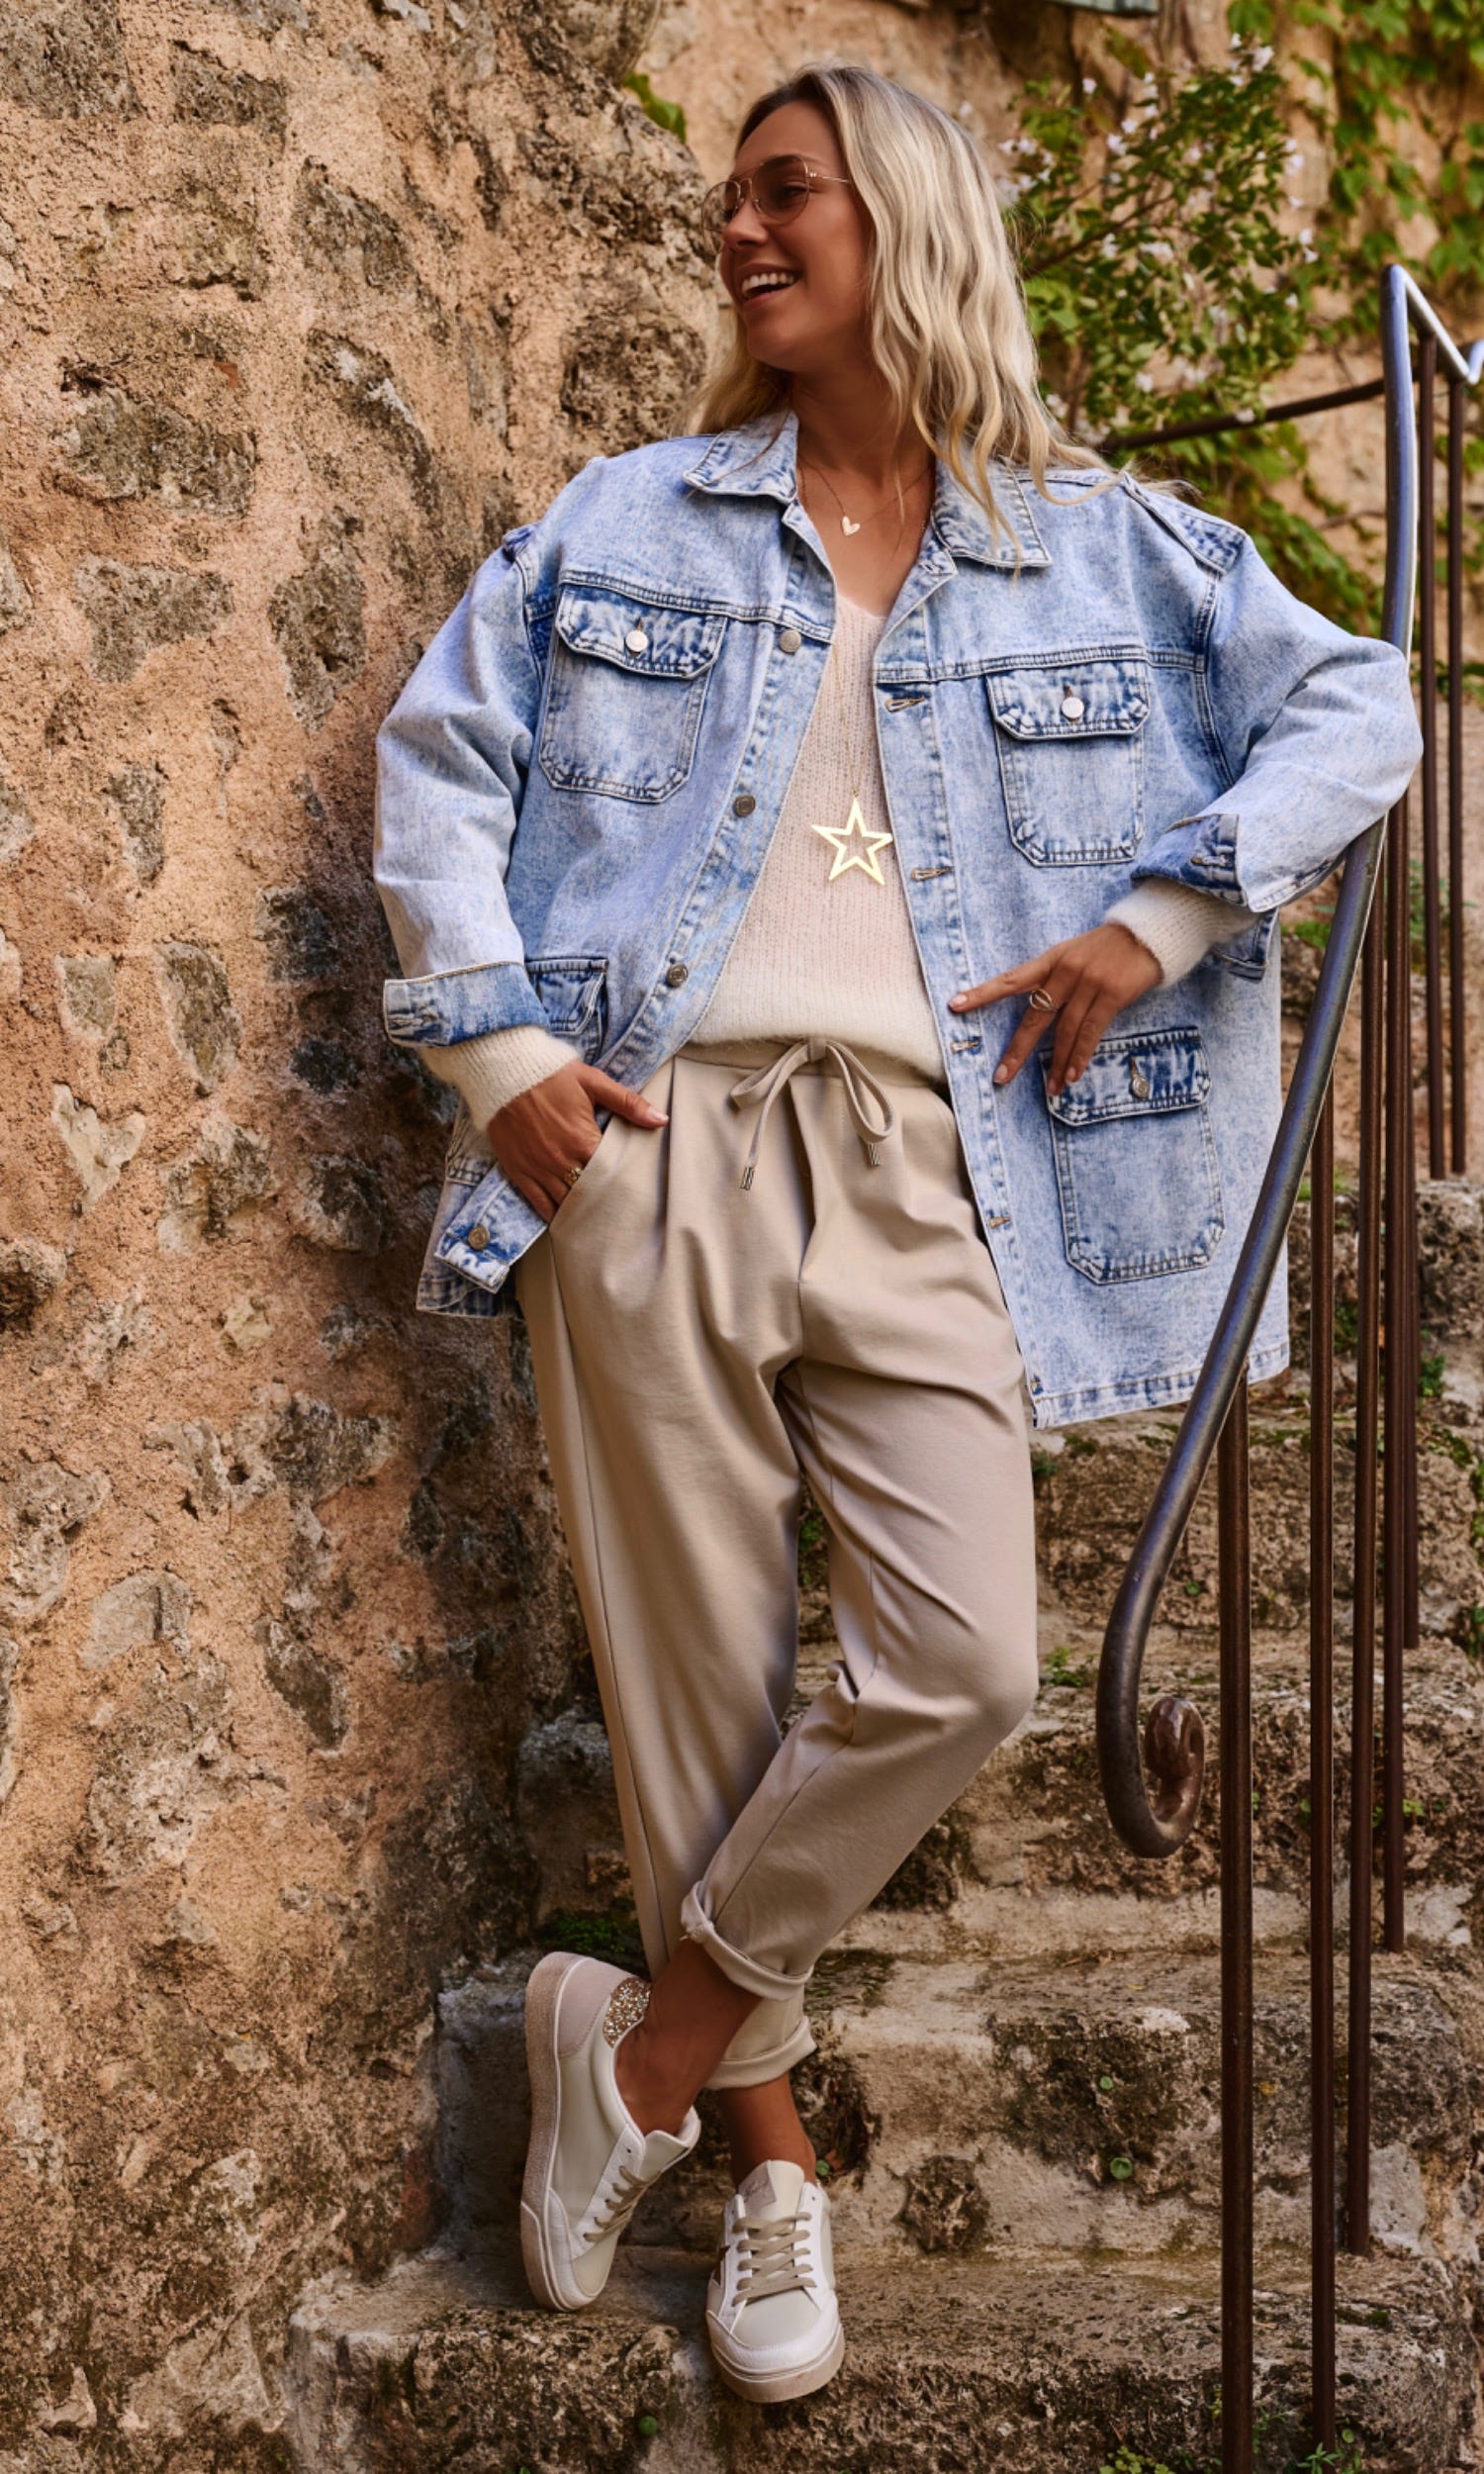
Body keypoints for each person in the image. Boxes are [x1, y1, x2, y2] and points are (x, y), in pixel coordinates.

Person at [372, 61, 1422, 2405]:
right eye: (730, 200)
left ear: (905, 219)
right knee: (702, 1677)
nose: (737, 232)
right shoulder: (631, 516)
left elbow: (1364, 710)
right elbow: (440, 763)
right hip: (653, 1138)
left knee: (961, 1665)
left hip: (948, 1161)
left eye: (786, 192)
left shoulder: (1111, 547)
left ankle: (636, 2055)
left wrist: (1162, 914)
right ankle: (766, 2169)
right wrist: (501, 1053)